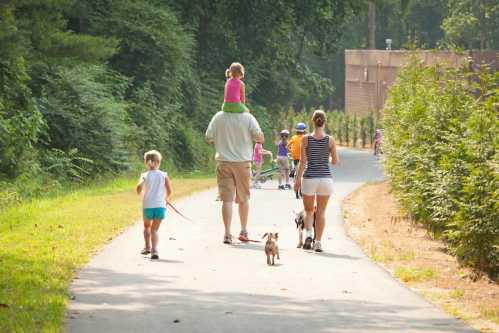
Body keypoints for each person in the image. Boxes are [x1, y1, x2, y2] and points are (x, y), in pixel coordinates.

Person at [206, 102, 264, 244]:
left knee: (227, 200)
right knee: (243, 198)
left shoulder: (218, 117)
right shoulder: (248, 117)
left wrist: (221, 139)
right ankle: (243, 230)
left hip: (223, 161)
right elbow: (260, 138)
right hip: (243, 162)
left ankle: (227, 233)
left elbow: (208, 137)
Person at [294, 110, 337, 252]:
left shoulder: (305, 139)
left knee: (308, 210)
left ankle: (308, 235)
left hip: (309, 178)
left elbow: (302, 162)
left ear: (312, 121)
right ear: (324, 122)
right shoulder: (330, 140)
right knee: (321, 212)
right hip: (325, 179)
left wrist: (297, 180)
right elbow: (335, 161)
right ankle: (318, 242)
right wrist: (326, 158)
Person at [136, 150, 173, 260]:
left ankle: (147, 247)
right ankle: (154, 250)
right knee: (154, 229)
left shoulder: (144, 175)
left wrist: (142, 193)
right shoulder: (163, 175)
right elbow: (169, 191)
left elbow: (138, 188)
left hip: (148, 206)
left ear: (145, 162)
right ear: (159, 162)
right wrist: (165, 199)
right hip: (160, 206)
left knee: (147, 226)